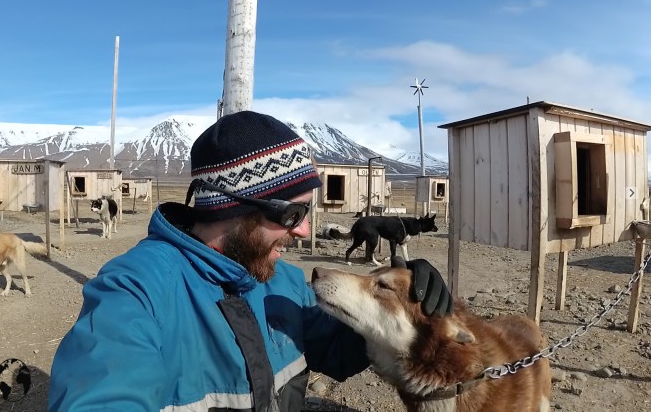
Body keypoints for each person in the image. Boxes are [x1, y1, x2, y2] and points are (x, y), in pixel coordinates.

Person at [48, 110, 453, 411]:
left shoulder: (285, 284)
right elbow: (103, 391)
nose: (304, 232)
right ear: (232, 209)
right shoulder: (136, 292)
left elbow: (344, 349)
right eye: (291, 215)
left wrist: (403, 306)